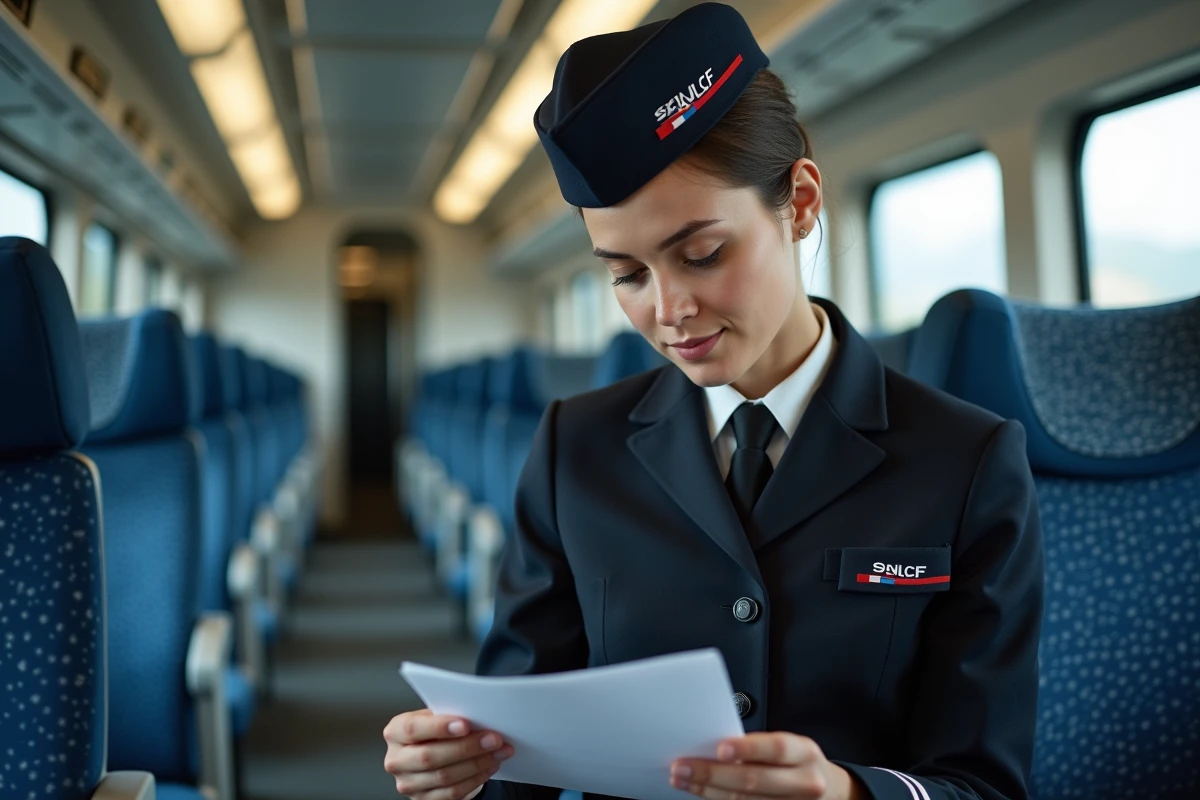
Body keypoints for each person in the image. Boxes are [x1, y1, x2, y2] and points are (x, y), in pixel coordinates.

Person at [384, 4, 1044, 799]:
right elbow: (518, 755)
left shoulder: (965, 462)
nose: (668, 310)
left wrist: (847, 792)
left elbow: (984, 785)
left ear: (799, 203)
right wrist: (461, 775)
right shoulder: (575, 449)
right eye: (627, 273)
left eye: (702, 254)